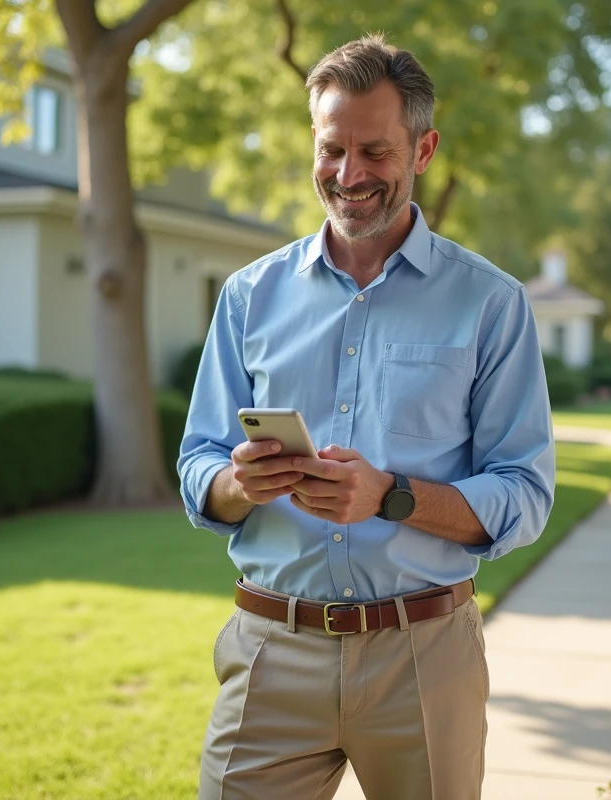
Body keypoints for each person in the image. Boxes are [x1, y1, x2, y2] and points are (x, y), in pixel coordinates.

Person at [178, 34, 555, 800]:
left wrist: (390, 495)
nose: (348, 176)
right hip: (270, 653)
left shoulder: (491, 304)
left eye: (374, 152)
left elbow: (524, 494)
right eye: (331, 149)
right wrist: (240, 485)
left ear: (423, 150)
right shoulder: (250, 296)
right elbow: (197, 465)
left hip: (423, 657)